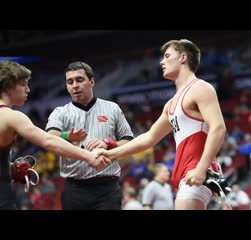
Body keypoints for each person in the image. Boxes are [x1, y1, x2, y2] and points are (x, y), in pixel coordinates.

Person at [106, 39, 227, 210]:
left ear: (183, 58)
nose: (161, 62)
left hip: (197, 168)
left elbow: (218, 128)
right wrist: (111, 154)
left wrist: (201, 168)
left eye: (167, 56)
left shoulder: (200, 88)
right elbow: (148, 138)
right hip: (184, 173)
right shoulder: (170, 104)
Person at [0, 61, 111, 210]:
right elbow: (48, 141)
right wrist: (88, 156)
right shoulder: (11, 116)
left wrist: (11, 168)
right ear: (8, 87)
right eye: (23, 84)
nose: (28, 90)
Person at [46, 61, 134, 210]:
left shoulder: (112, 108)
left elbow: (129, 142)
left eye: (79, 80)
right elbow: (49, 137)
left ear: (92, 82)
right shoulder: (60, 112)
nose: (74, 85)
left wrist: (109, 144)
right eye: (70, 82)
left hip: (107, 189)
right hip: (75, 189)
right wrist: (67, 136)